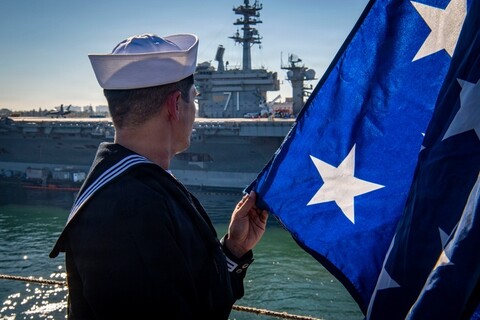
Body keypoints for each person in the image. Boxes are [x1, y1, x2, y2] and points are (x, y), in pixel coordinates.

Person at [49, 33, 268, 319]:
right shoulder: (129, 209)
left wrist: (233, 250)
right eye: (194, 99)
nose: (195, 111)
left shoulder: (142, 188)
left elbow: (195, 302)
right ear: (175, 105)